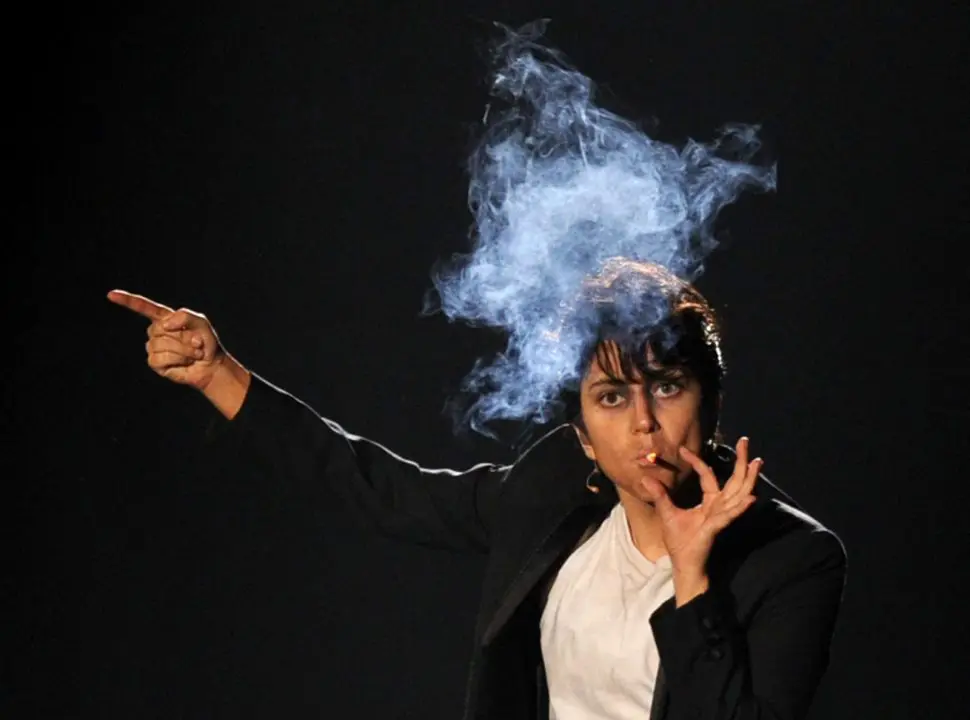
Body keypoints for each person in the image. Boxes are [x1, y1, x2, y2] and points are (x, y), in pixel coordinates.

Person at [107, 261, 846, 720]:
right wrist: (219, 375)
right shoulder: (557, 488)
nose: (644, 422)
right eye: (613, 397)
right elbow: (382, 489)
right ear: (584, 434)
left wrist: (692, 578)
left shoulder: (791, 558)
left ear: (711, 405)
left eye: (669, 387)